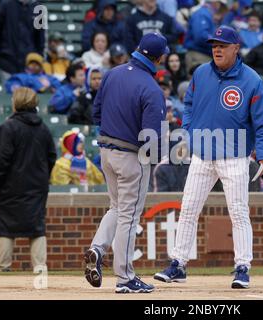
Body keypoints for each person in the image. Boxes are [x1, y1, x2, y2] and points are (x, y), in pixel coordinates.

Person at [154, 26, 263, 289]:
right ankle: (179, 264)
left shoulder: (251, 79)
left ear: (236, 48)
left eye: (222, 45)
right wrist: (188, 132)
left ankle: (242, 267)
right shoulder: (201, 73)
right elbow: (188, 104)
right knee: (188, 209)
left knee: (239, 213)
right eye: (214, 45)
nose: (217, 49)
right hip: (202, 154)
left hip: (234, 155)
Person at [84, 33, 168, 293]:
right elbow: (151, 137)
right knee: (129, 218)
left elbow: (95, 112)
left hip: (106, 152)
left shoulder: (111, 73)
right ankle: (125, 278)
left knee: (117, 208)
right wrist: (150, 161)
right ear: (159, 57)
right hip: (131, 156)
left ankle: (97, 249)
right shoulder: (152, 88)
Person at [0, 87, 57, 272]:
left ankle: (3, 268)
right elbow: (52, 156)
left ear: (16, 103)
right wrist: (42, 176)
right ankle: (40, 269)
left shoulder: (8, 127)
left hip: (10, 187)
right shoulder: (43, 128)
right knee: (36, 226)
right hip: (37, 188)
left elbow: (1, 160)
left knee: (5, 227)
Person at [0, 0, 45, 79]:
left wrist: (39, 57)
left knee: (28, 91)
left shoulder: (38, 7)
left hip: (30, 64)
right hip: (7, 62)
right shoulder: (5, 4)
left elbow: (41, 36)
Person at [183, 0, 228, 73]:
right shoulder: (202, 13)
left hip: (205, 55)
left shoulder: (208, 14)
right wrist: (221, 45)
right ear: (215, 3)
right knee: (200, 83)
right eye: (220, 4)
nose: (220, 8)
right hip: (198, 55)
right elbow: (200, 37)